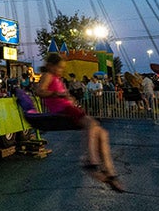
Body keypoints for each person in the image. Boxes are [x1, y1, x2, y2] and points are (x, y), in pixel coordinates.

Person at [35, 53, 123, 191]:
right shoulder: (48, 75)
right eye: (59, 67)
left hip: (67, 106)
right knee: (91, 124)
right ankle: (91, 159)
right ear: (51, 66)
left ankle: (110, 171)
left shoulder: (56, 78)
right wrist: (56, 94)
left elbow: (60, 94)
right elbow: (39, 91)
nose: (61, 70)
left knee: (102, 133)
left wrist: (68, 97)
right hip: (63, 109)